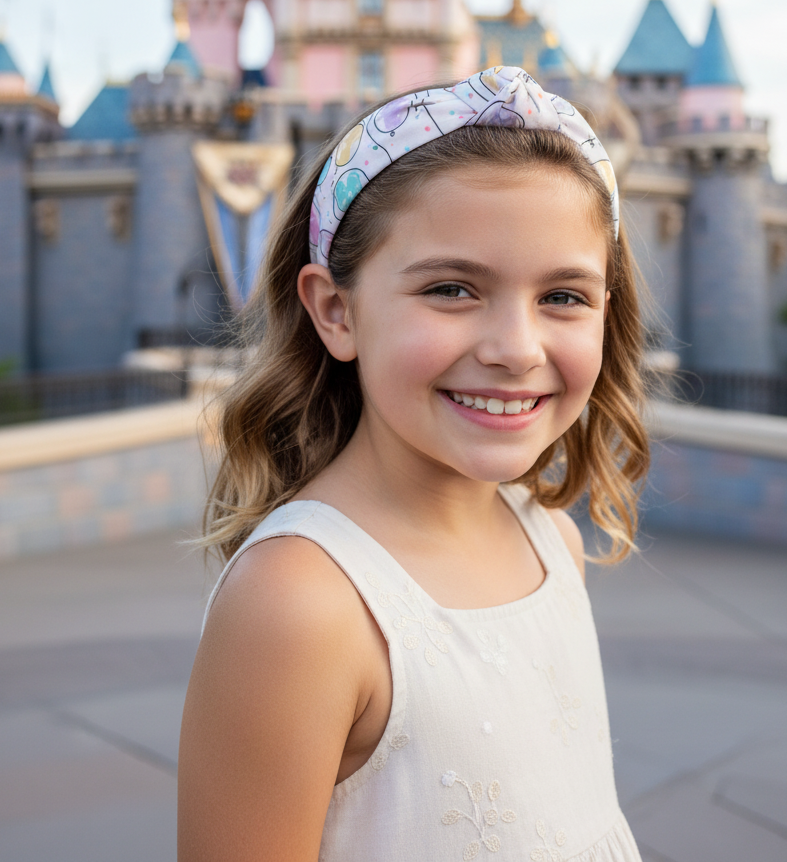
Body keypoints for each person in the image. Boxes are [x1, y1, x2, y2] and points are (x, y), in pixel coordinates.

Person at [178, 65, 650, 862]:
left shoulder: (550, 541)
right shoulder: (300, 607)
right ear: (336, 310)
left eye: (563, 297)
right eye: (452, 289)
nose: (515, 349)